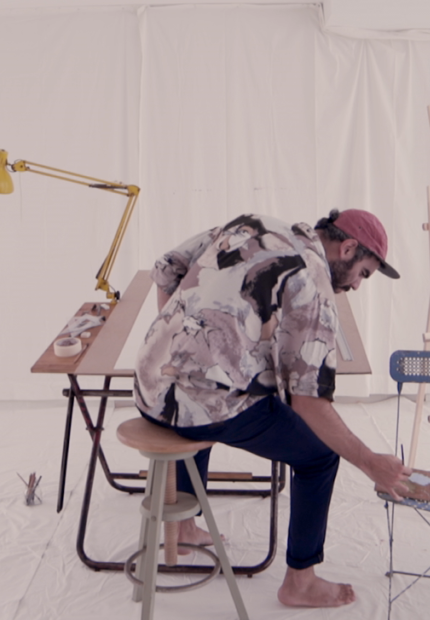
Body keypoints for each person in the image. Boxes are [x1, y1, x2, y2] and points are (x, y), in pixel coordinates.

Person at [133, 209, 411, 608]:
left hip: (148, 385)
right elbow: (308, 402)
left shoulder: (251, 224)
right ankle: (301, 581)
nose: (356, 285)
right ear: (348, 247)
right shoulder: (313, 283)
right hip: (196, 408)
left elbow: (166, 267)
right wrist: (370, 462)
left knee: (218, 384)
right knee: (320, 456)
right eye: (362, 274)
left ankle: (185, 528)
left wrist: (177, 340)